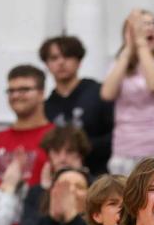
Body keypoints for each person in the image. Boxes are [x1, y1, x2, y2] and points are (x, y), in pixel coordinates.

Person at [102, 10, 154, 175]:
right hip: (125, 150)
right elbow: (107, 94)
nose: (150, 28)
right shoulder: (119, 65)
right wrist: (129, 49)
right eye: (143, 25)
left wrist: (141, 45)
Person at [40, 35, 115, 175]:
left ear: (79, 61)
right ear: (47, 65)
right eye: (54, 58)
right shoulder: (46, 105)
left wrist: (82, 147)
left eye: (67, 56)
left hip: (101, 174)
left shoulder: (99, 92)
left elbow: (117, 133)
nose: (61, 62)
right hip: (60, 176)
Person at [0, 65, 55, 190]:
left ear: (42, 94)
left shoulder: (56, 136)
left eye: (24, 90)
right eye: (11, 91)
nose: (16, 95)